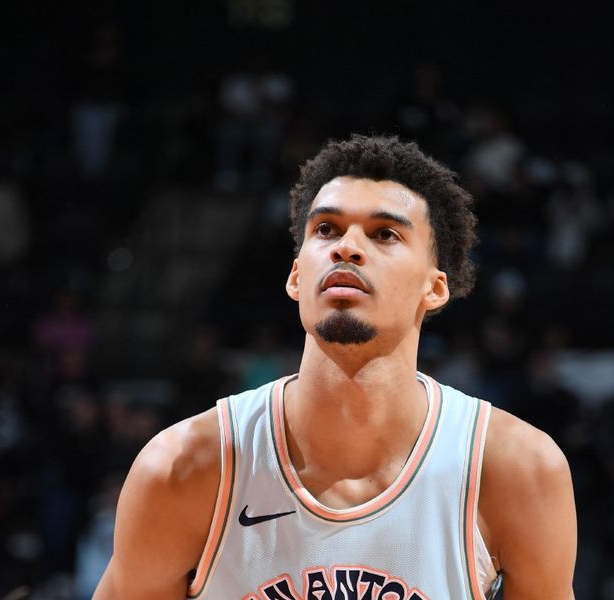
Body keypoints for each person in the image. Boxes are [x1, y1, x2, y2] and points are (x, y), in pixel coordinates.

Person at [93, 135, 577, 599]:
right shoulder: (184, 468)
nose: (346, 247)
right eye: (325, 229)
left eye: (384, 233)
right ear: (297, 276)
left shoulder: (516, 471)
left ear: (435, 288)